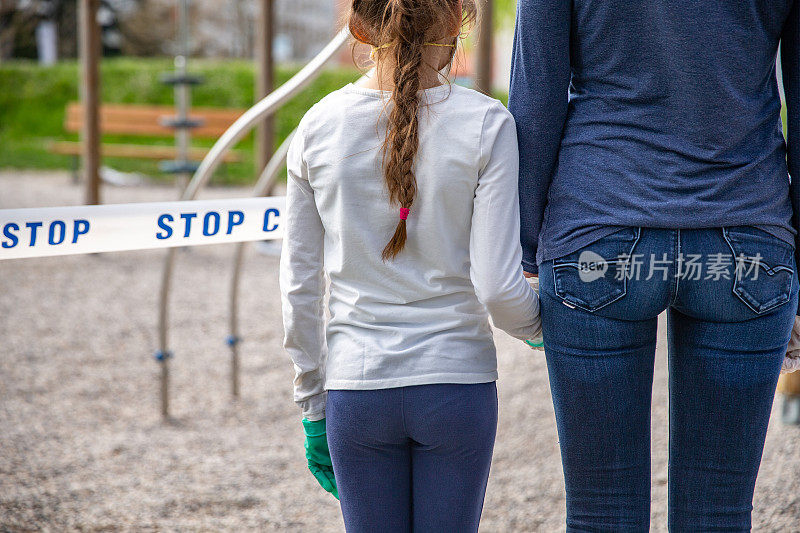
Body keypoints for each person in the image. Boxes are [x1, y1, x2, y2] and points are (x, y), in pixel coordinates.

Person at [509, 0, 799, 530]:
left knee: (601, 511)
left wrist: (526, 248)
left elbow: (535, 92)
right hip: (747, 236)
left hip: (598, 234)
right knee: (720, 511)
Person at [279, 0, 542, 530]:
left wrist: (312, 404)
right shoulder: (488, 123)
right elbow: (497, 287)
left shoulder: (317, 126)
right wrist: (539, 328)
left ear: (357, 26)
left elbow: (299, 289)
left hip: (357, 390)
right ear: (456, 23)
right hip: (456, 385)